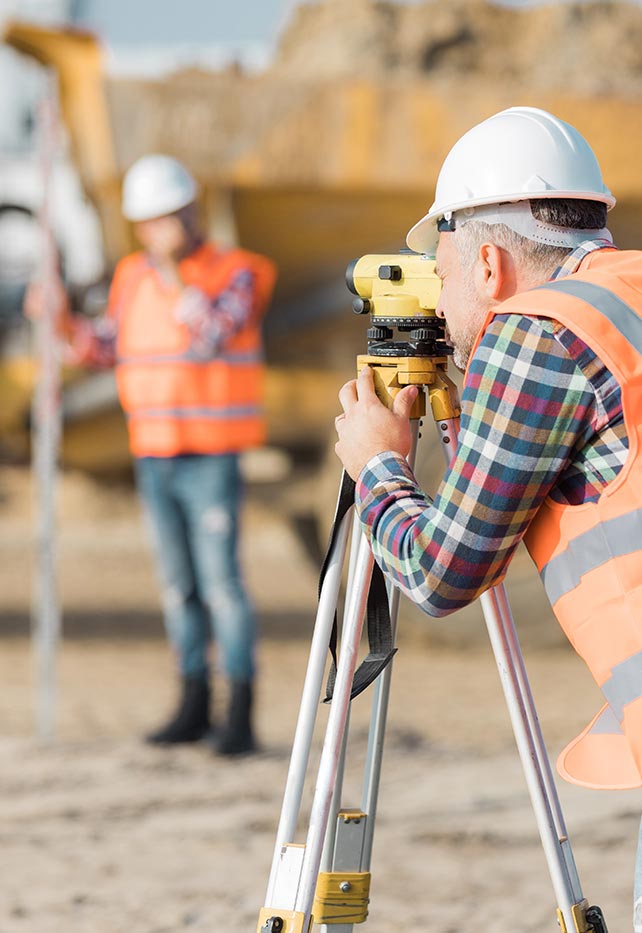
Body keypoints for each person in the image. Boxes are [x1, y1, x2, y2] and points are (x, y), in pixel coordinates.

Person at [334, 106, 642, 927]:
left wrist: (378, 465)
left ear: (489, 263)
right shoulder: (624, 299)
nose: (437, 294)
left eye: (441, 267)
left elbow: (440, 574)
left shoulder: (538, 333)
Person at [30, 154, 276, 755]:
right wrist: (62, 324)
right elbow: (107, 347)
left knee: (222, 586)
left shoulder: (238, 271)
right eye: (148, 221)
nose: (157, 231)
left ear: (191, 213)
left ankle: (239, 715)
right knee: (177, 586)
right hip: (154, 453)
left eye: (168, 217)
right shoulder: (131, 276)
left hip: (211, 454)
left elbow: (212, 334)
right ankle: (192, 704)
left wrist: (171, 274)